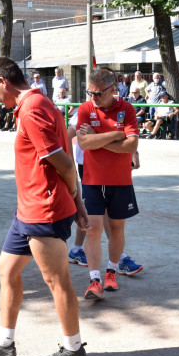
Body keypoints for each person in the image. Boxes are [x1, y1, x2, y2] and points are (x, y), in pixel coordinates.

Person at [0, 56, 89, 356]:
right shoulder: (35, 103)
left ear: (3, 82)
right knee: (7, 269)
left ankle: (73, 349)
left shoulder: (33, 107)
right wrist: (77, 203)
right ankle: (4, 345)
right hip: (28, 209)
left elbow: (63, 162)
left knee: (57, 280)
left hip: (43, 209)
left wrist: (77, 201)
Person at [76, 68, 139, 300]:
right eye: (90, 92)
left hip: (121, 180)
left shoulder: (127, 109)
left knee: (117, 230)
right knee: (92, 229)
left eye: (98, 93)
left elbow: (131, 146)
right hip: (92, 180)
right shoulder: (85, 109)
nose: (93, 97)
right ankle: (94, 280)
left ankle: (111, 271)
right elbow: (83, 142)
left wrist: (98, 138)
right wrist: (115, 135)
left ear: (113, 89)